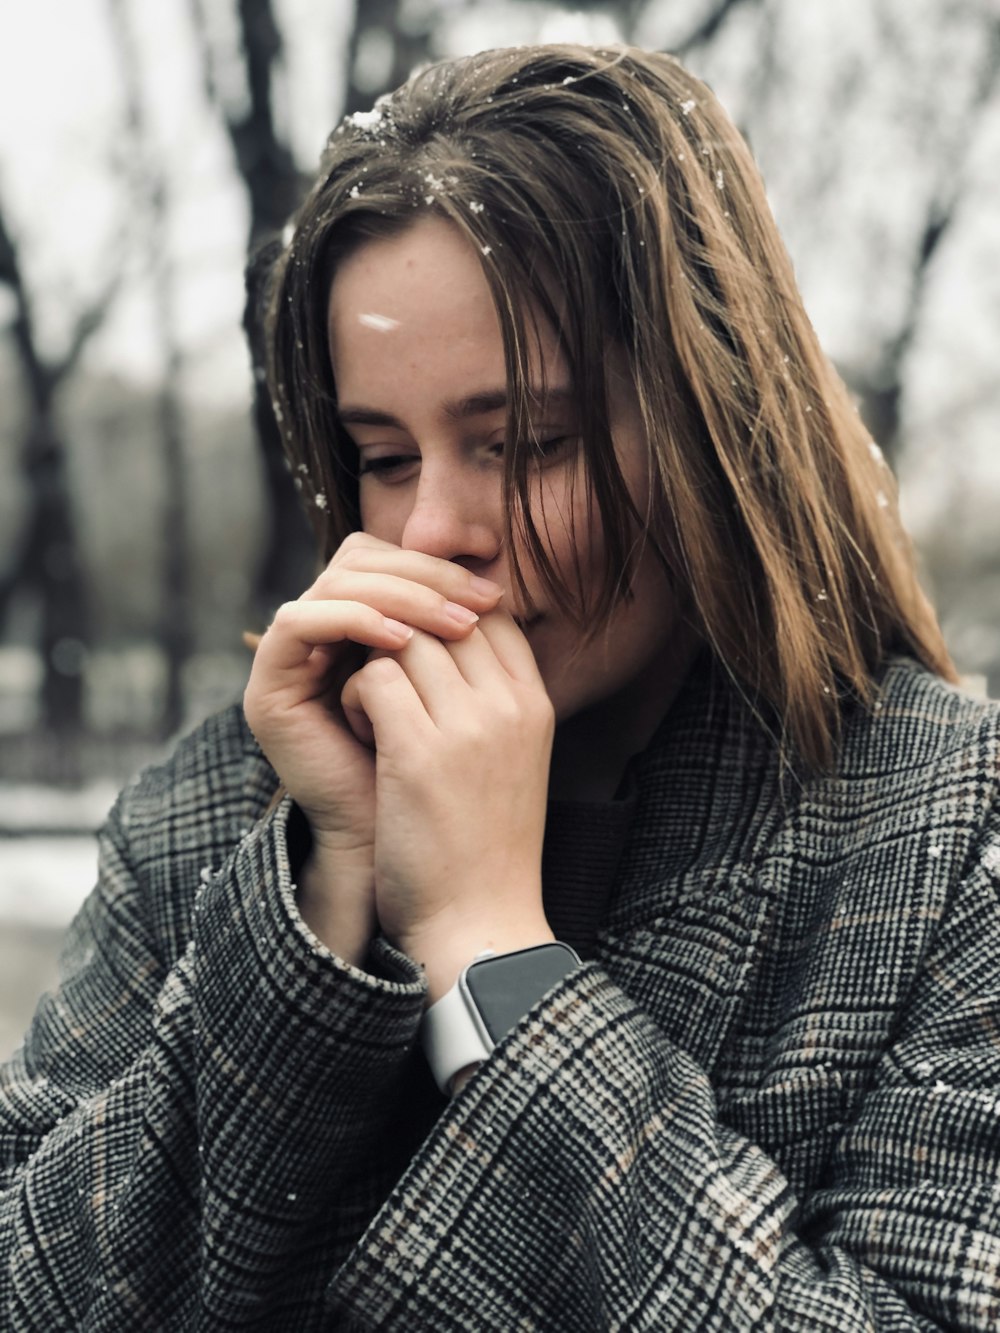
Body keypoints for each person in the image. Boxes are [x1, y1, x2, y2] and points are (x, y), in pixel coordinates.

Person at [3, 42, 999, 1331]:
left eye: (524, 444)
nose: (430, 534)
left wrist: (493, 959)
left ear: (714, 429)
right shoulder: (215, 812)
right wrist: (323, 902)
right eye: (380, 455)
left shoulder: (949, 830)